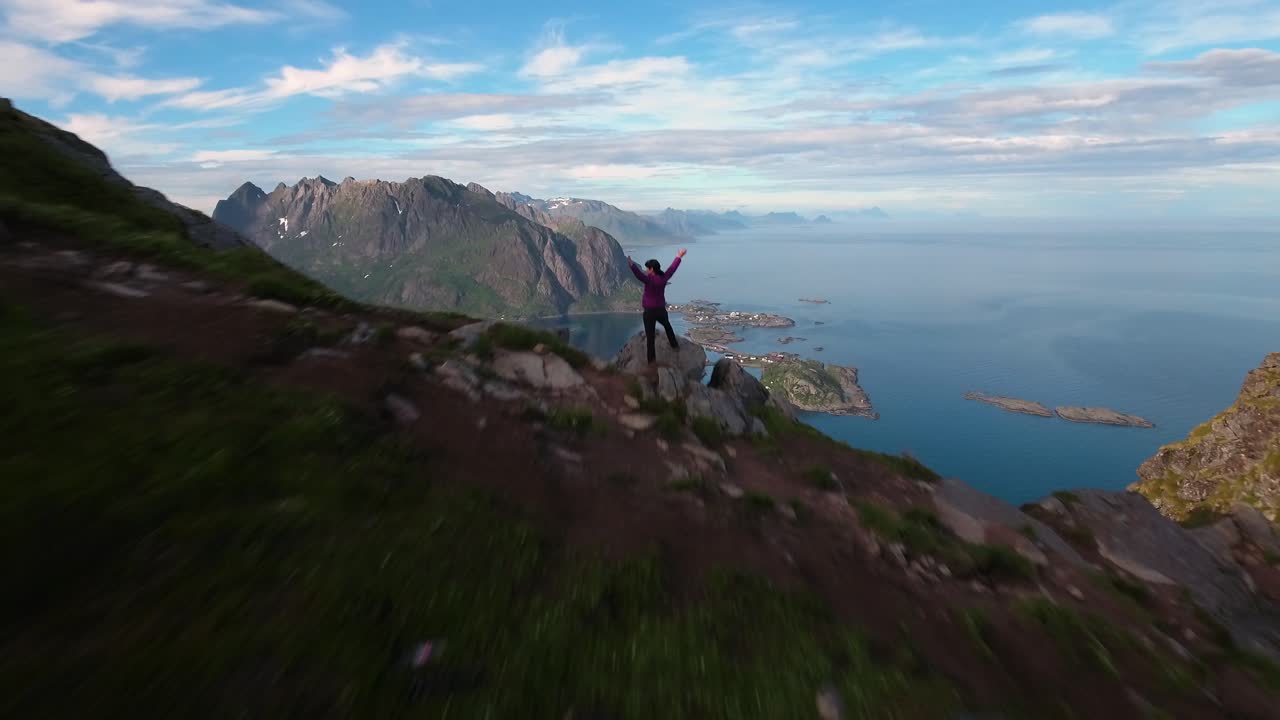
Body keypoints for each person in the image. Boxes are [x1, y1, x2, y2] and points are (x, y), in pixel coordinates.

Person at [627, 249, 686, 365]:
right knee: (668, 326)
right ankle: (674, 346)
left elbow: (638, 275)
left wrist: (631, 264)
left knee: (650, 339)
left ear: (652, 269)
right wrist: (679, 256)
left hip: (649, 312)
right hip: (660, 310)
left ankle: (651, 363)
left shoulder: (648, 279)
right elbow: (672, 269)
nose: (646, 270)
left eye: (647, 269)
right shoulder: (663, 278)